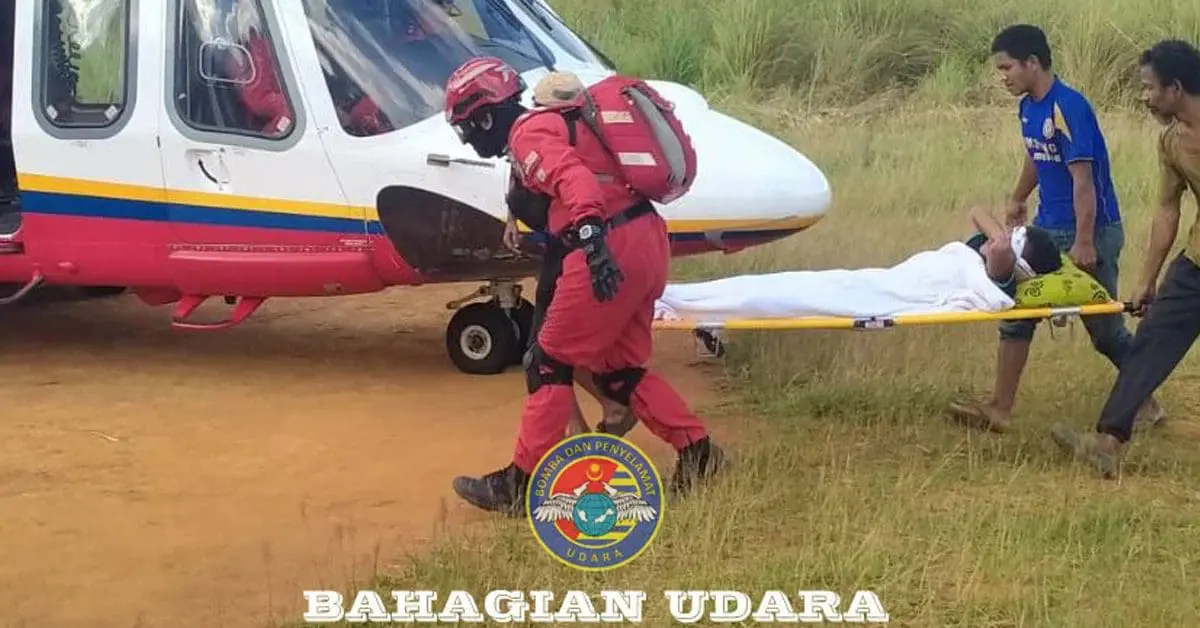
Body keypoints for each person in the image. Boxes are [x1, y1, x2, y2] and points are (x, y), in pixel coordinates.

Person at [443, 57, 724, 514]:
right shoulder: (562, 123)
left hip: (606, 247)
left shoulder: (529, 133)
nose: (468, 140)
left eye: (466, 128)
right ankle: (700, 453)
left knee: (547, 363)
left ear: (486, 117)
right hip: (647, 240)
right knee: (620, 371)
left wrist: (592, 237)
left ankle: (519, 485)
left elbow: (574, 180)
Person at [948, 24, 1164, 433]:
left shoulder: (1069, 107)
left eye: (1007, 67)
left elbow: (1084, 180)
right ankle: (999, 408)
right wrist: (1018, 197)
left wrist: (1085, 241)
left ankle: (1147, 402)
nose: (1002, 77)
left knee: (1105, 330)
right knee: (1017, 313)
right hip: (1047, 229)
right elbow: (1036, 154)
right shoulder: (1028, 107)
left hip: (1090, 232)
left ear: (1033, 62)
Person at [1049, 40, 1200, 477]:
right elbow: (1167, 210)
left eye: (1150, 88)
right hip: (1196, 263)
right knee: (1151, 340)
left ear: (1175, 88)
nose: (1144, 97)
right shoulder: (1171, 142)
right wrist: (1147, 280)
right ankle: (1108, 441)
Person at [504, 72, 639, 440]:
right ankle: (602, 413)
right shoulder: (590, 132)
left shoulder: (544, 133)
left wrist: (590, 238)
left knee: (546, 350)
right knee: (556, 346)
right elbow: (521, 175)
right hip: (588, 243)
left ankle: (579, 431)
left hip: (572, 246)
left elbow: (558, 180)